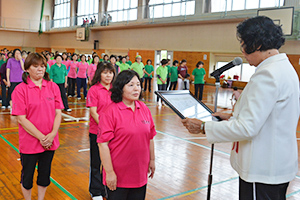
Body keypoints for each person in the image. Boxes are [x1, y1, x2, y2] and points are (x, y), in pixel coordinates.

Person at [182, 16, 299, 200]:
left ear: (257, 44)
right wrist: (231, 115)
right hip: (277, 164)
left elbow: (248, 127)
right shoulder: (284, 68)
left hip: (262, 168)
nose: (243, 52)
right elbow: (270, 116)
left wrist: (204, 127)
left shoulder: (268, 74)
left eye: (244, 44)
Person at [11, 53, 64, 200]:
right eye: (35, 66)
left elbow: (58, 113)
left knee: (44, 174)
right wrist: (41, 137)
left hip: (50, 141)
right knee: (27, 176)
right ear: (27, 69)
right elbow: (21, 119)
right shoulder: (20, 90)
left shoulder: (53, 87)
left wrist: (52, 134)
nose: (40, 69)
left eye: (42, 66)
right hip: (30, 143)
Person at [98, 70, 156, 200]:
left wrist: (152, 160)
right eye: (131, 85)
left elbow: (150, 136)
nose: (136, 88)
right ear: (120, 88)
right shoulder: (110, 111)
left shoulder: (144, 108)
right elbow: (103, 144)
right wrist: (110, 172)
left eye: (138, 84)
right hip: (118, 175)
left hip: (140, 173)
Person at [86, 62, 116, 200]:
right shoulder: (94, 90)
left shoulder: (116, 89)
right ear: (99, 74)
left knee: (109, 163)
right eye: (105, 72)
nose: (108, 75)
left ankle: (106, 188)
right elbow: (93, 111)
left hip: (114, 133)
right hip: (97, 132)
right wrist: (105, 127)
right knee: (96, 163)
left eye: (110, 72)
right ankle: (96, 191)